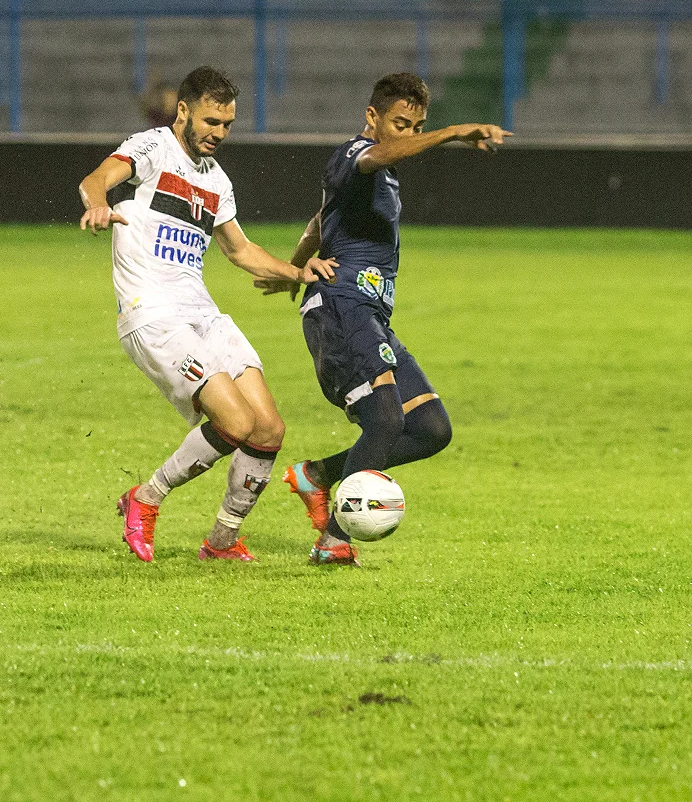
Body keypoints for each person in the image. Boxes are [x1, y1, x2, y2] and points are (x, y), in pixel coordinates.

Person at [77, 67, 336, 563]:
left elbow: (239, 250)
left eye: (227, 124)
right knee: (234, 423)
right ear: (183, 111)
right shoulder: (153, 147)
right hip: (151, 313)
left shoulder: (216, 180)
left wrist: (297, 272)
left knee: (268, 430)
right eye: (210, 121)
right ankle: (145, 499)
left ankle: (220, 542)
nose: (218, 133)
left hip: (201, 312)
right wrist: (96, 203)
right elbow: (97, 179)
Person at [260, 72, 509, 565]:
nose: (408, 136)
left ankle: (317, 476)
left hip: (369, 313)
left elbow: (319, 217)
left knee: (431, 428)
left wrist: (292, 268)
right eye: (400, 124)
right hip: (340, 307)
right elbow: (382, 154)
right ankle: (333, 541)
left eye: (417, 127)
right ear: (371, 117)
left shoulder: (378, 175)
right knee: (386, 420)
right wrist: (454, 132)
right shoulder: (357, 154)